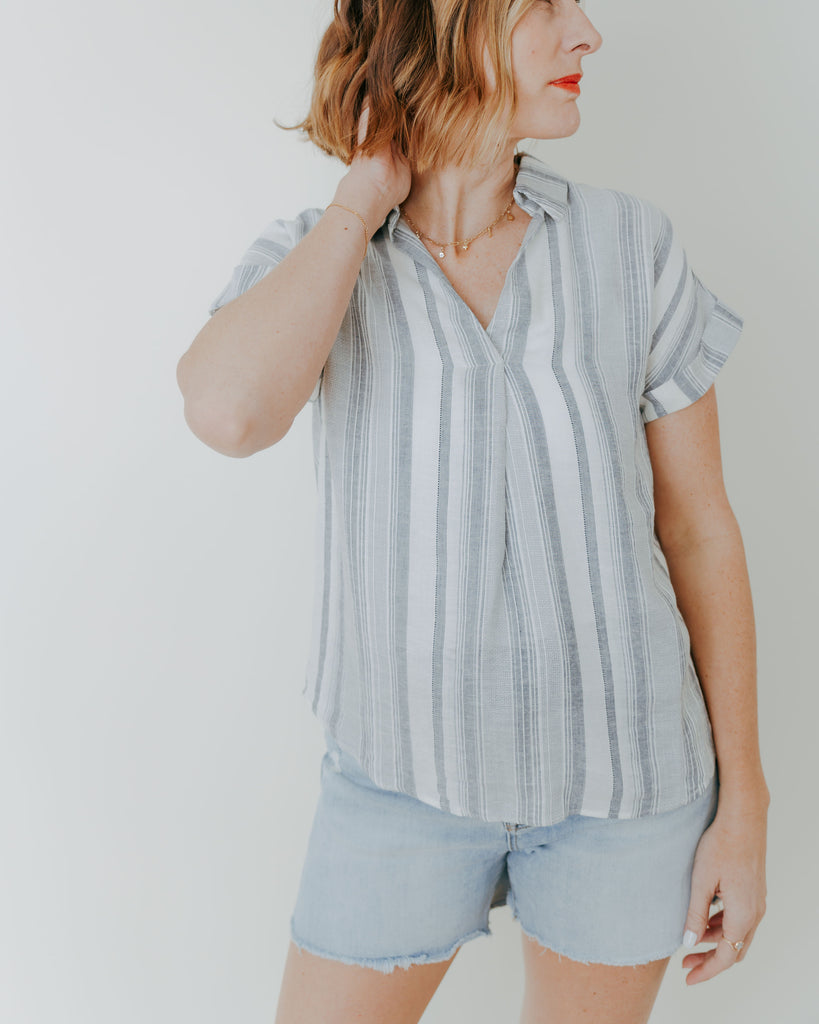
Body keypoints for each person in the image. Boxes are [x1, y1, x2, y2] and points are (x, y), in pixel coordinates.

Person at [176, 0, 770, 1020]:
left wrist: (745, 802)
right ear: (443, 25)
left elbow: (699, 528)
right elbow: (227, 413)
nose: (587, 34)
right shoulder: (321, 257)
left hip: (625, 785)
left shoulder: (631, 247)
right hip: (397, 782)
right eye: (546, 5)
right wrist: (365, 195)